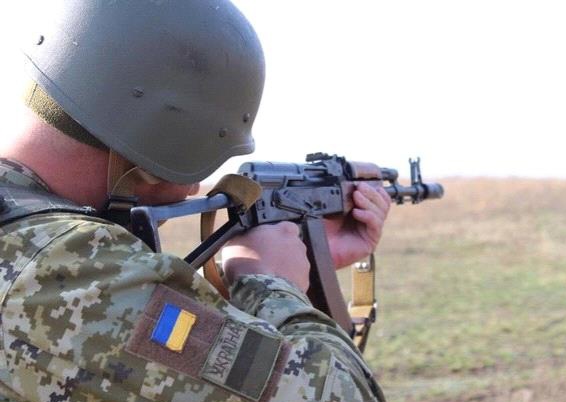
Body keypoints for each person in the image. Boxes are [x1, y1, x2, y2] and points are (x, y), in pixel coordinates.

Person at [0, 1, 391, 401]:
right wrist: (271, 285)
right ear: (166, 137)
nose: (192, 189)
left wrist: (305, 263)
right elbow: (339, 393)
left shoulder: (24, 238)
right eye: (197, 164)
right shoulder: (66, 265)